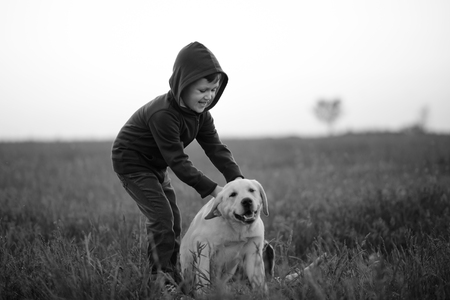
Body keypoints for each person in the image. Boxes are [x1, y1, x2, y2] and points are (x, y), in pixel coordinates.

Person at [111, 42, 244, 287]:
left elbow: (216, 148)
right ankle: (159, 281)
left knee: (174, 219)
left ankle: (171, 273)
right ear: (182, 86)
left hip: (156, 165)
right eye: (202, 89)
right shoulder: (163, 115)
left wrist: (237, 180)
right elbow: (178, 161)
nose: (209, 96)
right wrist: (215, 191)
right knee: (161, 217)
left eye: (214, 89)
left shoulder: (201, 115)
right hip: (132, 162)